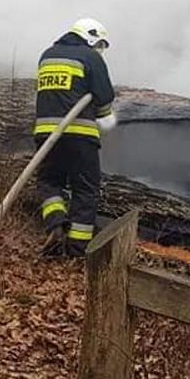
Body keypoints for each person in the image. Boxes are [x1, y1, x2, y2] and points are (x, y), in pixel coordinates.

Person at [34, 17, 117, 258]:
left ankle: (56, 221)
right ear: (91, 37)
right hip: (80, 135)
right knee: (85, 189)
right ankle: (77, 249)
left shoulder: (46, 56)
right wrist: (105, 115)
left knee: (48, 181)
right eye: (98, 43)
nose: (99, 49)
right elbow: (104, 96)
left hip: (46, 135)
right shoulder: (91, 58)